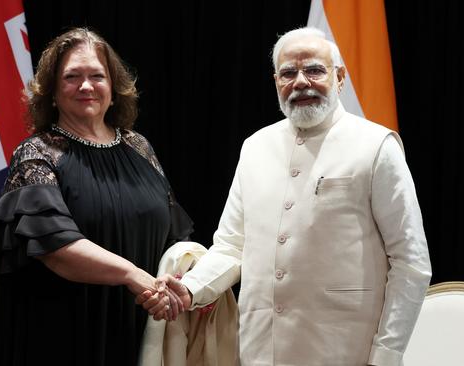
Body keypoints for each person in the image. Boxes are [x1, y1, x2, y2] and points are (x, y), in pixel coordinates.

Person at [140, 26, 432, 365]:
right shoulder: (255, 147)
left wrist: (387, 354)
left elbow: (411, 263)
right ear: (276, 81)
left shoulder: (377, 146)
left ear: (339, 78)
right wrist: (190, 289)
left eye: (314, 70)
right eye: (288, 73)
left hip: (346, 350)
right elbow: (233, 246)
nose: (301, 82)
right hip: (261, 348)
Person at [0, 27, 192, 366]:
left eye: (97, 76)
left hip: (141, 326)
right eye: (72, 77)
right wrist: (133, 275)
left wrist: (176, 282)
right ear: (52, 90)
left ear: (113, 88)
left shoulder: (139, 147)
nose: (86, 86)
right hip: (63, 336)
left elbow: (174, 234)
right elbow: (56, 247)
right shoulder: (36, 153)